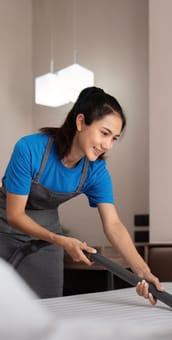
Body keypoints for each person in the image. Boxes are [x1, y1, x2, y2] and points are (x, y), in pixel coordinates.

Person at [0, 86, 163, 300]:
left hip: (48, 235)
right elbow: (15, 215)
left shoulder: (95, 171)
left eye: (114, 138)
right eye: (104, 133)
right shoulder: (30, 149)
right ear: (80, 122)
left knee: (49, 304)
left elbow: (113, 224)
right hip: (5, 228)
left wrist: (142, 271)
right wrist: (61, 240)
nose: (108, 145)